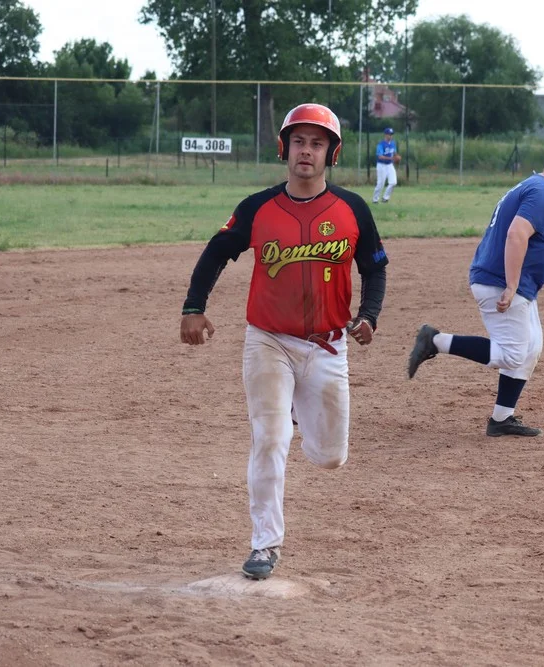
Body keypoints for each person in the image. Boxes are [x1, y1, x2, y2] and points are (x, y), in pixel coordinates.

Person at [180, 103, 389, 580]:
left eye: (317, 143)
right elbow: (215, 252)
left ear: (331, 153)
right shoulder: (257, 208)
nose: (306, 151)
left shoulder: (353, 208)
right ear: (284, 148)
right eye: (298, 141)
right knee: (270, 439)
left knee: (330, 456)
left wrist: (369, 316)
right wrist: (194, 307)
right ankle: (264, 546)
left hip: (328, 347)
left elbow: (375, 265)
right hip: (268, 341)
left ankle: (299, 412)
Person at [406, 145, 544, 437]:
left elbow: (525, 246)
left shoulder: (535, 188)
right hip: (501, 282)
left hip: (509, 280)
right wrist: (510, 286)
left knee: (530, 348)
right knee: (511, 355)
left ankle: (501, 419)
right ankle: (435, 341)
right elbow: (516, 234)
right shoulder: (542, 194)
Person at [372, 127, 399, 204]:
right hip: (381, 165)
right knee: (380, 183)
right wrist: (392, 158)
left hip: (389, 165)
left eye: (391, 134)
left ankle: (385, 198)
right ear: (385, 135)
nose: (390, 136)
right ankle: (375, 199)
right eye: (389, 134)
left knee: (393, 182)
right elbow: (380, 156)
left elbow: (394, 153)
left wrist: (397, 157)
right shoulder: (381, 144)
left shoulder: (393, 144)